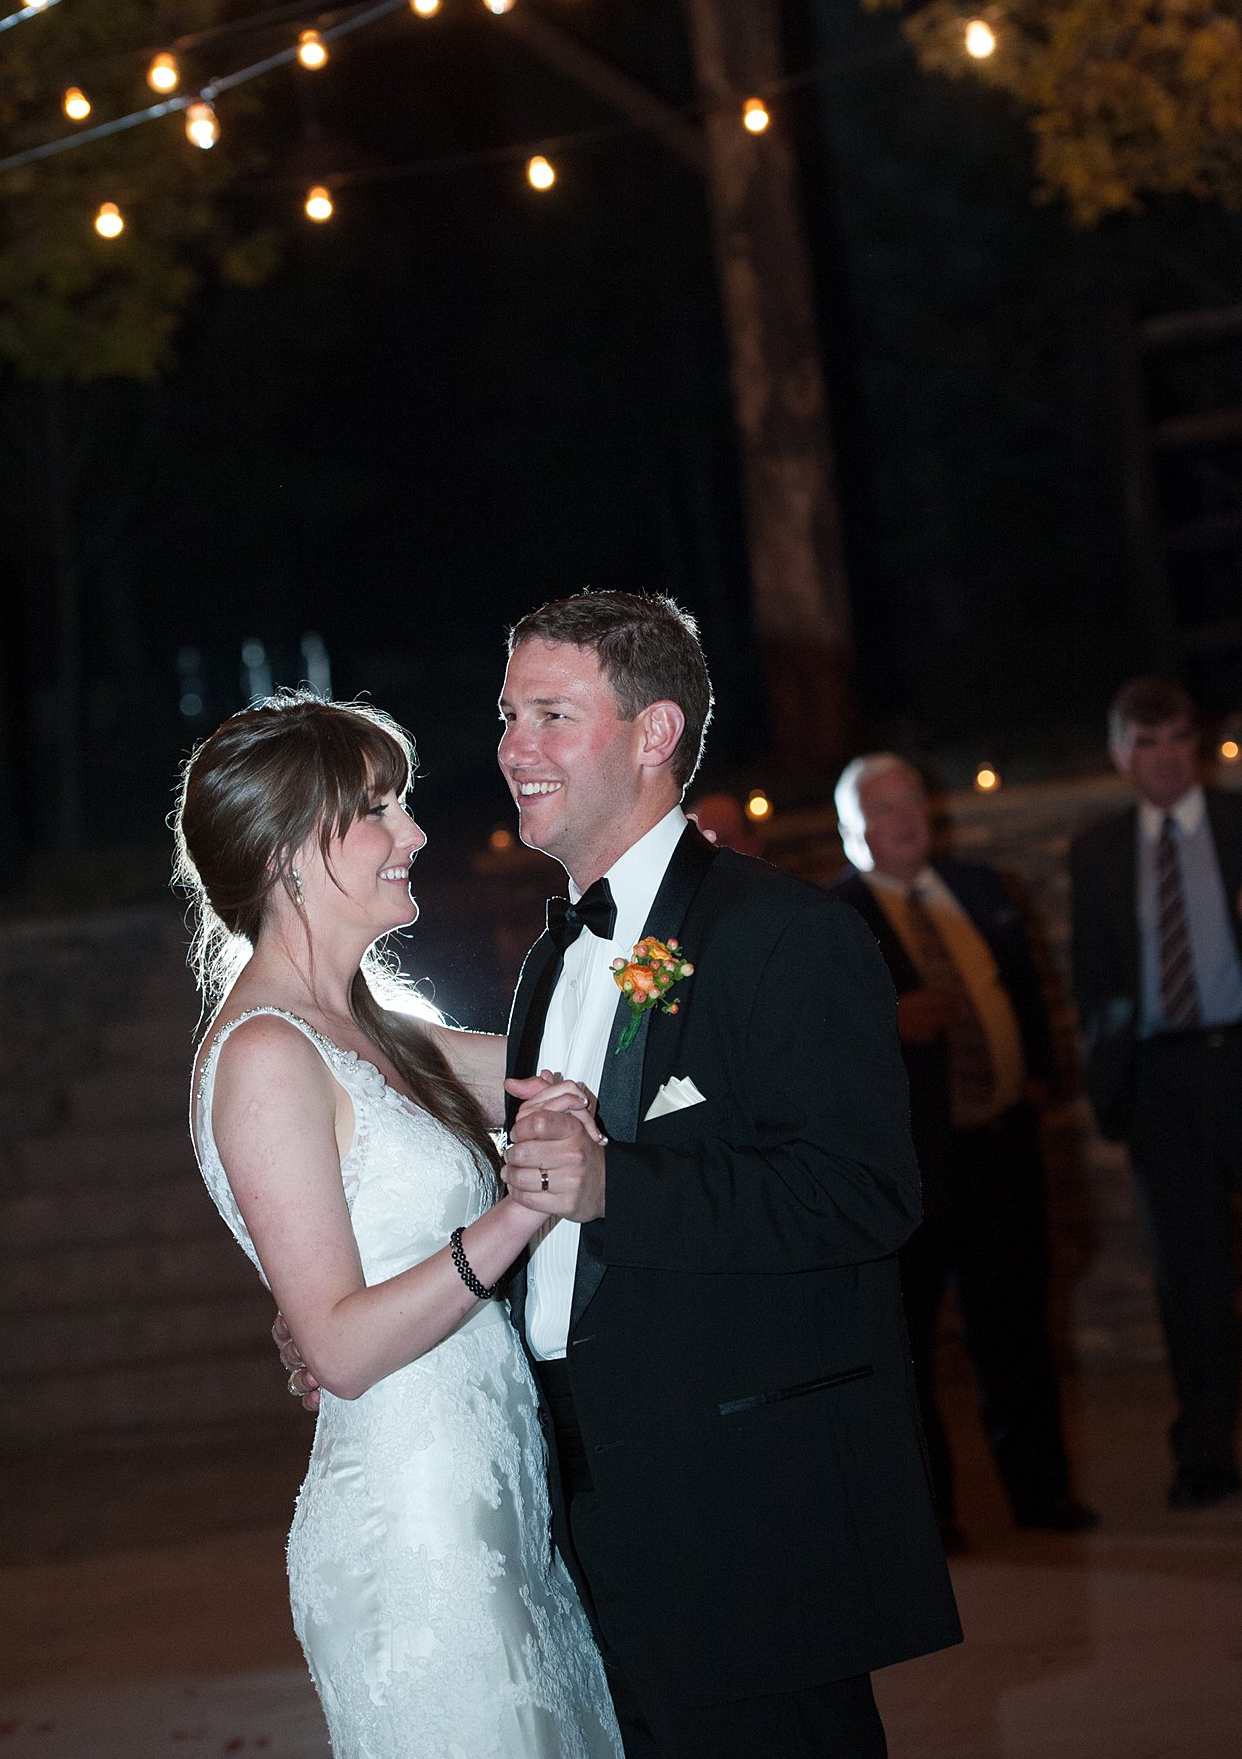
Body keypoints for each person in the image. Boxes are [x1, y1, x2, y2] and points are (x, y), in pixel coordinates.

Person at [488, 593, 960, 1756]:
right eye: (506, 715)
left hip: (744, 1513)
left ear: (653, 734)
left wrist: (618, 1187)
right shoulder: (553, 952)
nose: (510, 747)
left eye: (550, 713)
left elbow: (862, 1192)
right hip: (579, 1508)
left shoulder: (783, 934)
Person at [174, 692, 622, 1757]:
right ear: (289, 851)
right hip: (415, 1533)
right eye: (379, 807)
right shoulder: (265, 1055)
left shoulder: (375, 1025)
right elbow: (337, 1343)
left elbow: (568, 1060)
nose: (415, 832)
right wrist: (521, 1208)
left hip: (492, 1499)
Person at [831, 754, 1097, 1550]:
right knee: (909, 1338)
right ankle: (933, 1514)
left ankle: (1040, 1492)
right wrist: (889, 1021)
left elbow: (1023, 989)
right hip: (911, 1162)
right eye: (885, 807)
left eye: (913, 800)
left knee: (1016, 1324)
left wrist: (1040, 1080)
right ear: (854, 829)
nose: (906, 816)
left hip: (1001, 1145)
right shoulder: (834, 918)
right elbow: (818, 1044)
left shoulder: (976, 889)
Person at [1071, 677, 1242, 1510]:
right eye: (1146, 741)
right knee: (1190, 1279)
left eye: (1177, 737)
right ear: (1119, 754)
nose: (1164, 756)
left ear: (1195, 745)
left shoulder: (1237, 824)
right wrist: (1115, 1084)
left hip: (1238, 1054)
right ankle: (1204, 1449)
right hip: (1161, 1084)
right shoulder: (1096, 850)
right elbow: (1093, 979)